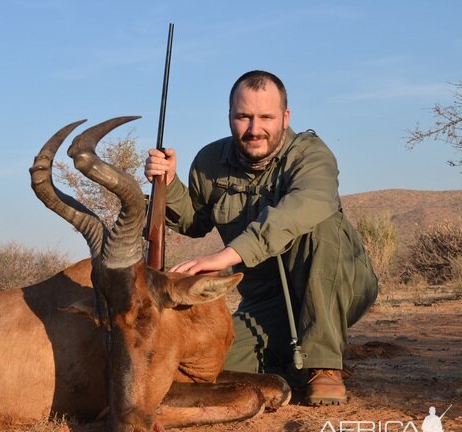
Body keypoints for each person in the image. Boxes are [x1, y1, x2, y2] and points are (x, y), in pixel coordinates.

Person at [145, 70, 378, 405]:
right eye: (243, 117)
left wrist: (226, 257)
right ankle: (293, 361)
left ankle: (324, 366)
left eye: (266, 117)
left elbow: (297, 210)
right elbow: (193, 221)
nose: (254, 129)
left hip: (341, 286)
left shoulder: (312, 155)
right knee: (205, 365)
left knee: (321, 224)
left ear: (285, 117)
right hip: (268, 302)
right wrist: (168, 185)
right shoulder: (210, 160)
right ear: (229, 117)